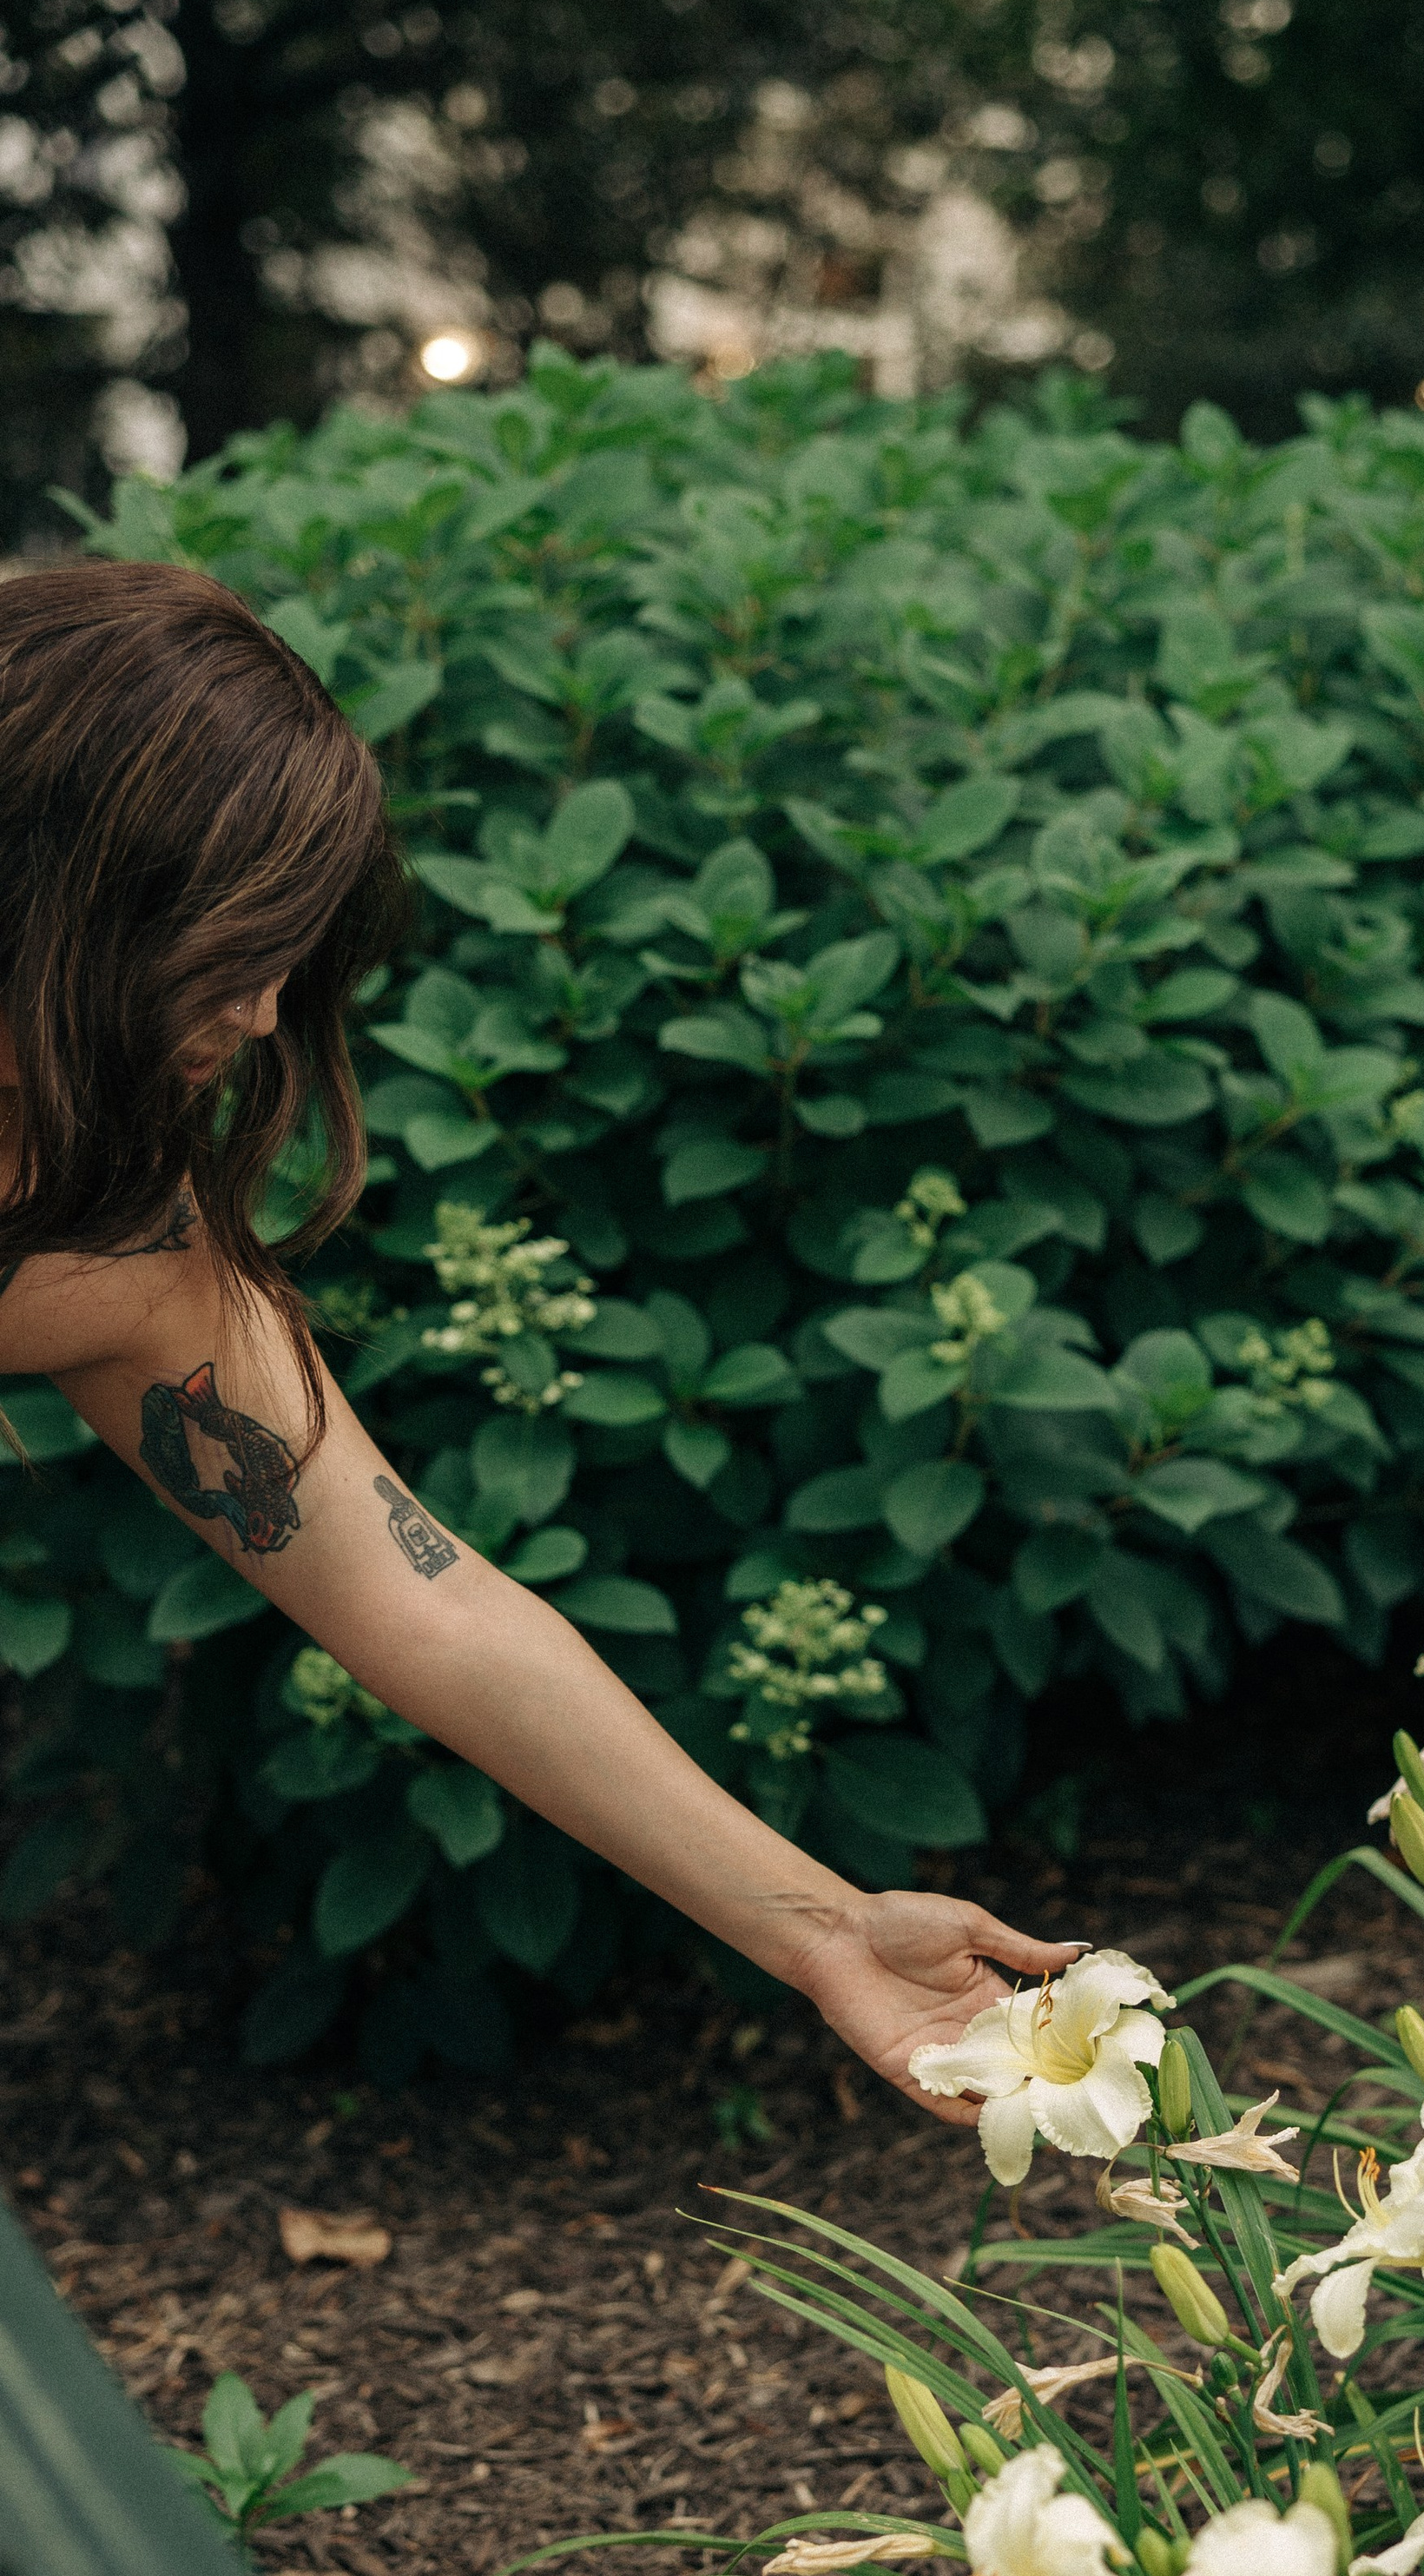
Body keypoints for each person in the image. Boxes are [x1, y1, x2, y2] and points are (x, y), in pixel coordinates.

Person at [0, 563, 1076, 2102]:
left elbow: (429, 1600)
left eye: (286, 959)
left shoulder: (123, 1240)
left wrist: (822, 1927)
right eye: (229, 948)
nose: (258, 1018)